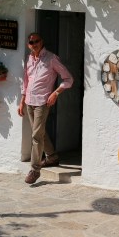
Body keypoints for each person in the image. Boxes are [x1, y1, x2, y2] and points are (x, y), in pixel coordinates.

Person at [17, 32, 73, 185]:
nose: (33, 44)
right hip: (29, 101)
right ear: (28, 44)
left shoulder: (51, 58)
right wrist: (22, 101)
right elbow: (25, 80)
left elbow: (68, 79)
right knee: (39, 132)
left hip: (42, 101)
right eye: (31, 42)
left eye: (36, 41)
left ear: (41, 42)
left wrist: (55, 93)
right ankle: (52, 156)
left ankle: (35, 170)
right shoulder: (29, 59)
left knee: (36, 135)